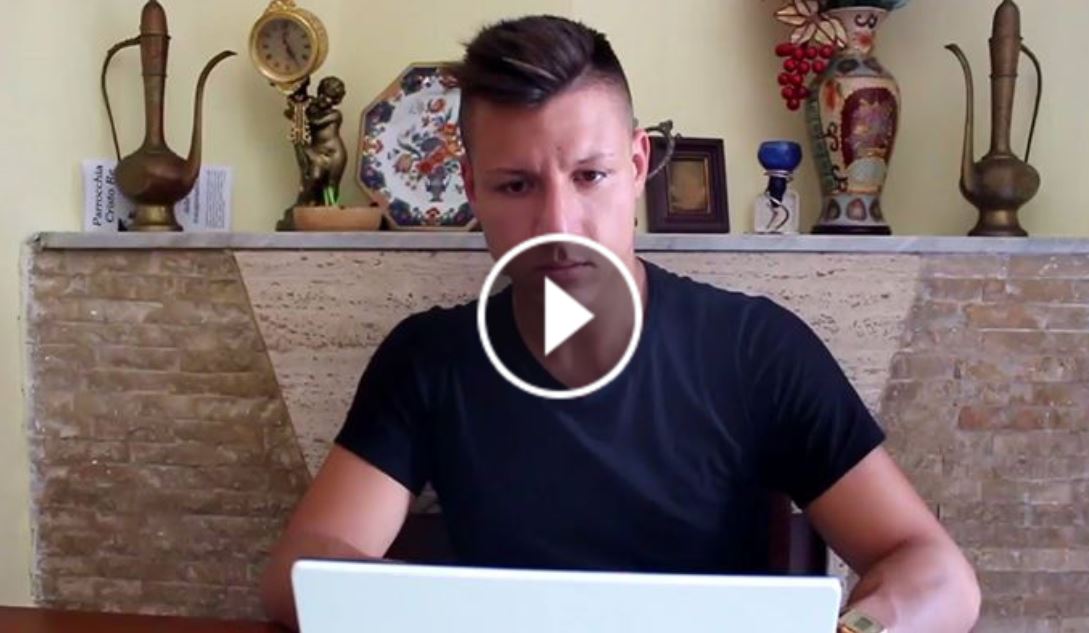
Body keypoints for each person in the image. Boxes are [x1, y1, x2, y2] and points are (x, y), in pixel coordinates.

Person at [261, 15, 980, 633]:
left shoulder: (755, 350)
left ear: (638, 165)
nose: (558, 224)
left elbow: (937, 572)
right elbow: (302, 568)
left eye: (590, 175)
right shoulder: (430, 360)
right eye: (516, 185)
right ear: (474, 190)